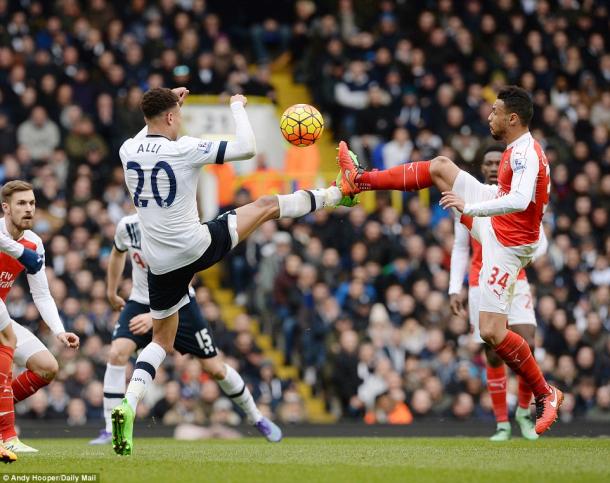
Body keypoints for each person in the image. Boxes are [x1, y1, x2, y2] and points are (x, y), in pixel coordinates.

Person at [112, 87, 355, 455]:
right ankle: (338, 194)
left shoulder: (128, 150)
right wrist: (237, 107)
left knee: (161, 342)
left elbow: (151, 127)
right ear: (172, 117)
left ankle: (128, 403)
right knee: (266, 204)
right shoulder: (185, 148)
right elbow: (246, 147)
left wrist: (169, 103)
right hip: (195, 247)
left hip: (159, 262)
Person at [336, 85, 563, 435]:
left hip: (506, 243)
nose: (490, 116)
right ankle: (360, 180)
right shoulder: (517, 149)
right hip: (500, 225)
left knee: (491, 332)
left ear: (512, 118)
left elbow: (519, 200)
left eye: (495, 111)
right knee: (441, 166)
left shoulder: (524, 154)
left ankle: (545, 393)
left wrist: (469, 208)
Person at [90, 212, 277, 445]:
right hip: (139, 301)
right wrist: (111, 290)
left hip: (181, 303)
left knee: (215, 368)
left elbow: (186, 274)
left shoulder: (175, 228)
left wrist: (154, 316)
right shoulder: (127, 227)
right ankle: (110, 428)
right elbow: (118, 253)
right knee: (117, 353)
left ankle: (256, 417)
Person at [449, 145, 546, 441]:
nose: (493, 167)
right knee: (493, 354)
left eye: (497, 162)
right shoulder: (470, 200)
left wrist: (531, 255)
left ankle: (524, 413)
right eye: (488, 163)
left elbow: (540, 238)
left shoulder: (519, 195)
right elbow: (461, 246)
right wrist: (455, 287)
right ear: (482, 168)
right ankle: (502, 422)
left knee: (527, 343)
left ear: (505, 166)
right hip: (481, 282)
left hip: (515, 279)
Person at [0, 181, 80, 456]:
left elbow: (42, 294)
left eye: (32, 203)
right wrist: (21, 252)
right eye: (21, 203)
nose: (29, 208)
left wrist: (59, 330)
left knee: (47, 367)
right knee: (7, 341)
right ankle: (8, 435)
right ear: (5, 208)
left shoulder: (34, 241)